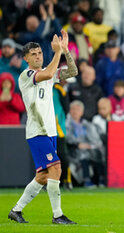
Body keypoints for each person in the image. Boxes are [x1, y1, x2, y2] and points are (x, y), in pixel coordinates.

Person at [9, 30, 78, 224]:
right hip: (37, 130)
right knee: (56, 169)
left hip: (50, 131)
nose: (38, 56)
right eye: (34, 54)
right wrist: (57, 53)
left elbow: (73, 72)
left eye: (40, 53)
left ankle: (16, 211)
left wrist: (65, 51)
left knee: (42, 176)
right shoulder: (27, 75)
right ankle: (58, 215)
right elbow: (48, 73)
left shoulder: (48, 73)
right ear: (26, 59)